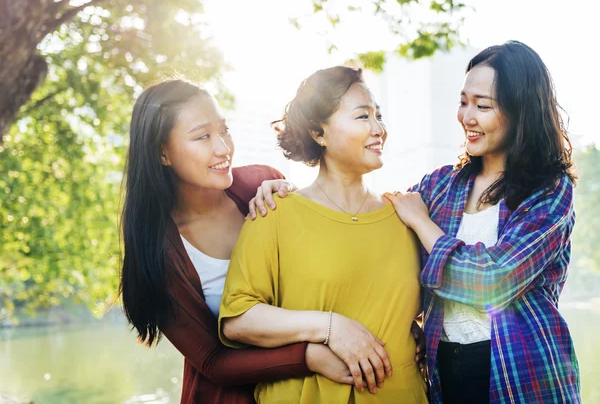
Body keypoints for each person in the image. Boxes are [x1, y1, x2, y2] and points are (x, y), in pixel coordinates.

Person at [119, 78, 376, 404]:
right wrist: (309, 356)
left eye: (224, 131)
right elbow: (213, 361)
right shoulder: (159, 251)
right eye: (202, 137)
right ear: (163, 153)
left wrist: (293, 201)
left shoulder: (262, 183)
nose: (223, 149)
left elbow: (332, 269)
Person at [384, 41, 581, 403]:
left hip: (524, 375)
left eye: (482, 106)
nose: (466, 117)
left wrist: (423, 224)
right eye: (463, 102)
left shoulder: (550, 191)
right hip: (445, 371)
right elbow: (374, 226)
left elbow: (492, 281)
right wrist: (288, 191)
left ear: (521, 112)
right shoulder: (440, 185)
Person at [218, 66, 429, 403]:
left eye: (379, 116)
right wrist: (330, 327)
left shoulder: (405, 215)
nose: (379, 130)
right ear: (319, 133)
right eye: (363, 117)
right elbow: (238, 320)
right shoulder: (274, 213)